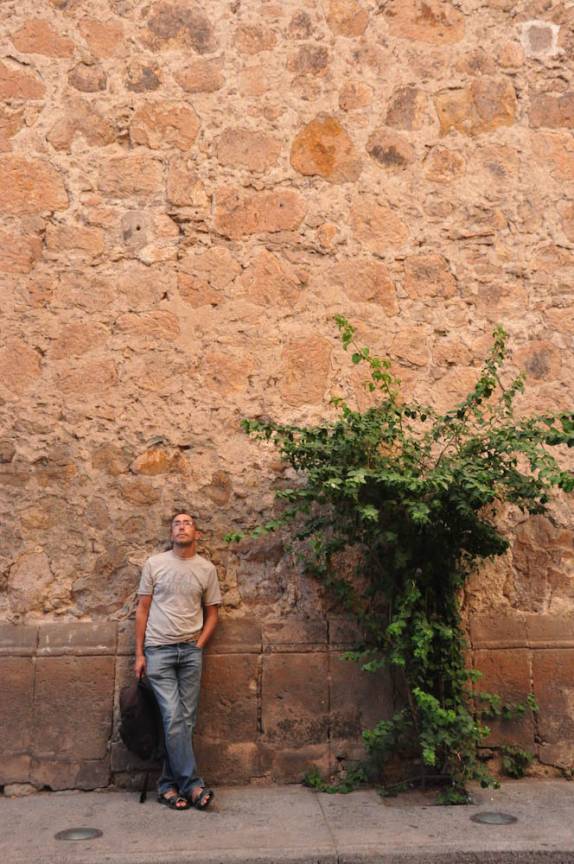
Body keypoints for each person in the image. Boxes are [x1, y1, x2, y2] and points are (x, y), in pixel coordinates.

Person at [134, 511, 221, 811]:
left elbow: (213, 613)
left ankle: (168, 787)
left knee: (185, 721)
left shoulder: (206, 569)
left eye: (187, 524)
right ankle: (194, 785)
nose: (182, 527)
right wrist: (139, 653)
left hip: (190, 652)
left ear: (197, 534)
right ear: (171, 533)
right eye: (176, 524)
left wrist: (198, 645)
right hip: (159, 651)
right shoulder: (155, 564)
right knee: (173, 718)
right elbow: (142, 609)